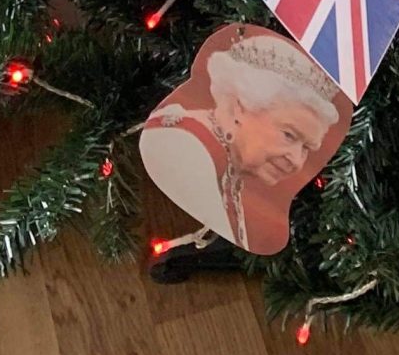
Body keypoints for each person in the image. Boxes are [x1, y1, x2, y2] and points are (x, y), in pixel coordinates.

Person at [139, 27, 349, 254]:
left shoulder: (231, 168)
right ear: (239, 106)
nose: (297, 161)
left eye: (307, 148)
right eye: (289, 135)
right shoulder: (185, 146)